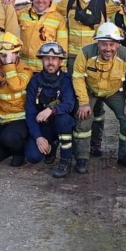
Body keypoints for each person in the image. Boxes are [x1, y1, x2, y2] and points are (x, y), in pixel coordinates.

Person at [56, 0, 120, 157]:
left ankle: (96, 142)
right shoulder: (67, 1)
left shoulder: (104, 2)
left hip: (96, 59)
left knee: (98, 105)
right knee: (76, 102)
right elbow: (50, 11)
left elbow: (123, 12)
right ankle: (77, 142)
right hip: (73, 60)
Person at [72, 22, 126, 174]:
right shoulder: (85, 53)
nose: (108, 48)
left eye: (111, 44)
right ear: (98, 43)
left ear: (118, 44)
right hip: (90, 90)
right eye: (104, 44)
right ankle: (82, 157)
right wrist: (83, 102)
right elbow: (77, 77)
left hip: (114, 91)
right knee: (83, 119)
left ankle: (124, 155)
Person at [0, 32, 34, 166]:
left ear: (17, 53)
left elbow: (16, 86)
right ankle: (9, 148)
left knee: (9, 138)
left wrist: (9, 64)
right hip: (1, 121)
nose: (4, 58)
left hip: (20, 120)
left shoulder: (25, 69)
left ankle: (20, 151)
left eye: (9, 54)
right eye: (2, 55)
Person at [25, 42, 76, 178]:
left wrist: (51, 109)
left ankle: (65, 160)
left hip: (63, 124)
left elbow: (69, 105)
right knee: (32, 157)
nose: (50, 62)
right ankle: (51, 146)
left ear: (60, 61)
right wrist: (38, 137)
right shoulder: (34, 82)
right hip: (45, 127)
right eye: (47, 58)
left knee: (63, 119)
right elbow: (30, 112)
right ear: (42, 60)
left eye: (54, 58)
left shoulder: (67, 80)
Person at [17, 0, 68, 73]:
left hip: (46, 70)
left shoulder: (59, 18)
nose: (40, 0)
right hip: (23, 69)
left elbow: (62, 46)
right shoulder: (22, 13)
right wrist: (6, 1)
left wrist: (61, 69)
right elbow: (5, 17)